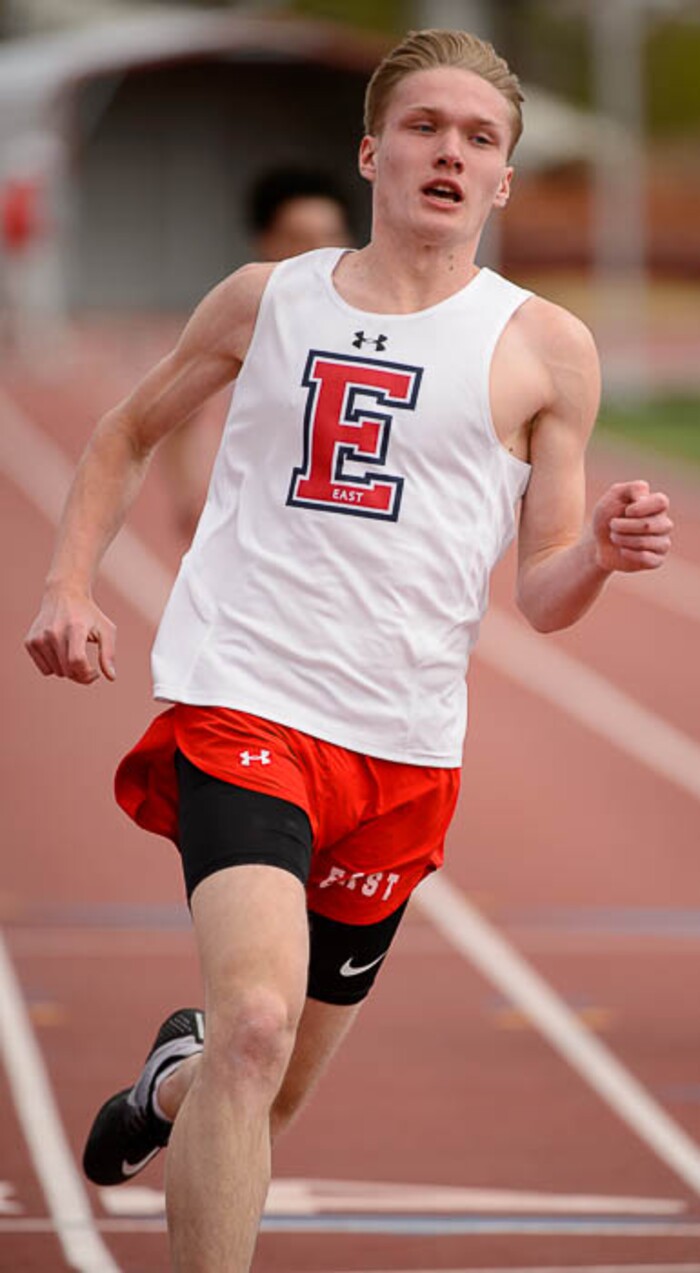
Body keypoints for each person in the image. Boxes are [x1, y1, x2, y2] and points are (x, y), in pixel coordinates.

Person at [25, 28, 674, 1273]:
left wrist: (595, 549)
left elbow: (539, 592)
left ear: (503, 183)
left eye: (480, 139)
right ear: (372, 152)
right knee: (256, 1021)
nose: (451, 152)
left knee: (259, 1092)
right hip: (244, 699)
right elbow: (121, 432)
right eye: (425, 127)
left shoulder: (546, 348)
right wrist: (71, 585)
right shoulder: (270, 298)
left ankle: (170, 1089)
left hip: (403, 751)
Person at [160, 165, 354, 544]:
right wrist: (190, 497)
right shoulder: (239, 325)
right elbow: (180, 418)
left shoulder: (367, 330)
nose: (317, 252)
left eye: (329, 236)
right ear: (265, 241)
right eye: (299, 238)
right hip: (253, 530)